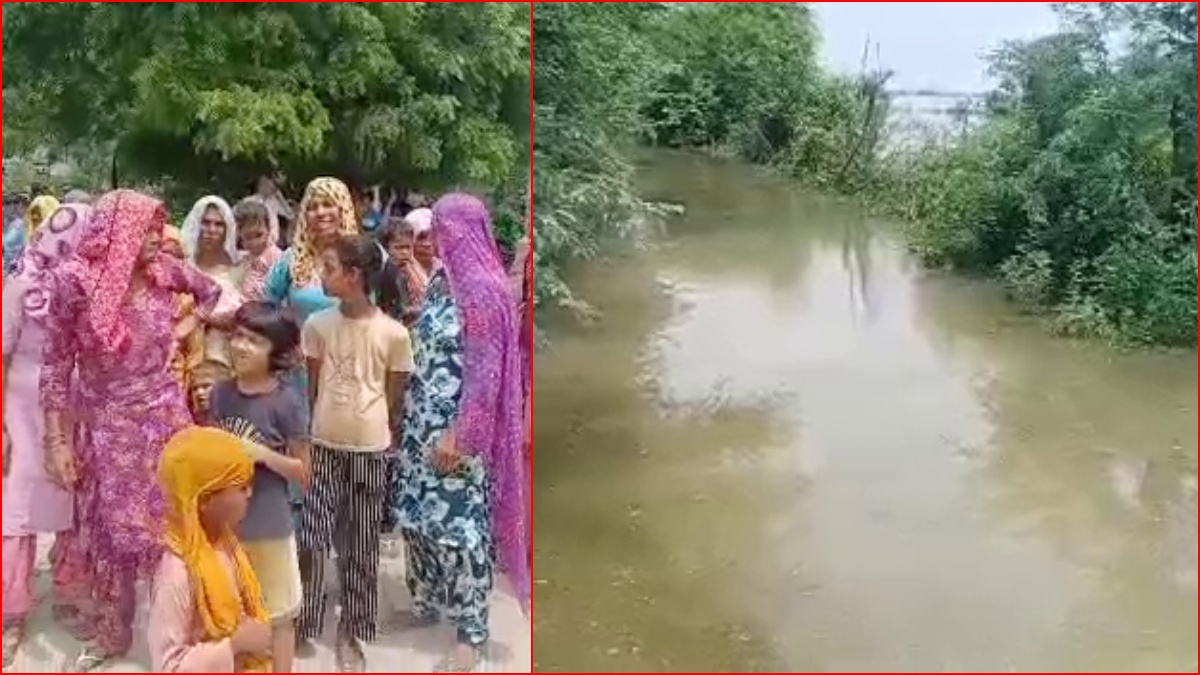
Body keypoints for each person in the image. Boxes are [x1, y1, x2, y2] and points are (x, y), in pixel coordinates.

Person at [39, 189, 224, 670]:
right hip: (107, 424)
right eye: (146, 229)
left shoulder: (163, 271)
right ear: (116, 232)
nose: (156, 238)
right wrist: (57, 441)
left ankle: (183, 633)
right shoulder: (75, 282)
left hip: (165, 415)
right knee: (112, 534)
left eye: (158, 228)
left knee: (177, 526)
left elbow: (212, 293)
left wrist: (186, 331)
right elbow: (56, 365)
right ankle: (113, 633)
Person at [388, 194, 529, 672]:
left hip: (457, 432)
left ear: (465, 230)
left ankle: (471, 632)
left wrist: (459, 436)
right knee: (416, 519)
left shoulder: (485, 291)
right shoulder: (444, 281)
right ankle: (425, 603)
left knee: (460, 531)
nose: (433, 238)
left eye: (442, 229)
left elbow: (486, 379)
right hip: (419, 423)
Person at [297, 234, 414, 671]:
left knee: (360, 544)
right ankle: (304, 621)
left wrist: (383, 439)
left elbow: (393, 398)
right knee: (311, 536)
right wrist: (308, 437)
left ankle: (352, 630)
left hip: (369, 448)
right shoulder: (317, 326)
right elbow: (311, 389)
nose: (320, 276)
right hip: (324, 444)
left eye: (328, 268)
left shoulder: (394, 334)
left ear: (354, 275)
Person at [2, 204, 90, 668]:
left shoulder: (87, 285)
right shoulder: (18, 284)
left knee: (69, 504)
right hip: (20, 403)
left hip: (71, 407)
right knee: (15, 511)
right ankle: (10, 613)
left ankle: (68, 595)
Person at [209, 302, 310, 672]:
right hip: (226, 527)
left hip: (269, 526)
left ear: (276, 353)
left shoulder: (286, 401)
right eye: (237, 336)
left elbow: (303, 472)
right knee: (228, 610)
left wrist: (262, 454)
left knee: (279, 615)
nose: (240, 346)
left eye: (254, 340)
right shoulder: (220, 393)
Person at [264, 177, 361, 526]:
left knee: (343, 456)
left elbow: (381, 315)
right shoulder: (292, 261)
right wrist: (281, 347)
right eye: (314, 205)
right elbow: (264, 310)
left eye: (328, 204)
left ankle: (341, 540)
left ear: (343, 208)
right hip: (297, 378)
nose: (321, 213)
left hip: (349, 375)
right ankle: (300, 553)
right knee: (301, 455)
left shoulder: (362, 257)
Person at [147, 426, 273, 672]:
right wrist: (234, 646)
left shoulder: (224, 541)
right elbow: (168, 666)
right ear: (204, 501)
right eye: (240, 487)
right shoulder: (177, 577)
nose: (249, 494)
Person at [181, 196, 245, 372]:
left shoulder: (241, 267)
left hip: (230, 359)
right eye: (206, 222)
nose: (211, 229)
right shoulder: (182, 267)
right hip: (188, 356)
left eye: (219, 224)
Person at [163, 225, 206, 414]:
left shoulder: (187, 301)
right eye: (164, 254)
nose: (168, 262)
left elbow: (195, 353)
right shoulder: (137, 294)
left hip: (176, 385)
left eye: (175, 256)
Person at [377, 217, 427, 327]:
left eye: (408, 247)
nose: (405, 252)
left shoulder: (414, 268)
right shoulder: (387, 272)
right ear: (386, 248)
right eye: (399, 248)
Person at [234, 200, 284, 303]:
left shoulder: (276, 257)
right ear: (240, 235)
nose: (254, 242)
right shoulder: (244, 259)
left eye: (259, 235)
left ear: (269, 229)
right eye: (248, 237)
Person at [404, 208, 438, 288]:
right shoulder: (400, 275)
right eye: (421, 237)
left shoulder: (446, 270)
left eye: (432, 236)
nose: (427, 244)